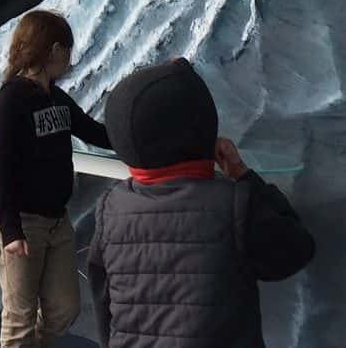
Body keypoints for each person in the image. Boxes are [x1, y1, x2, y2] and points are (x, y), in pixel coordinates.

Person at [87, 58, 315, 348]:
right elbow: (296, 250)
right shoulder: (234, 204)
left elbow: (104, 303)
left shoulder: (110, 210)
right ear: (202, 130)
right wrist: (244, 176)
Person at [0, 9, 111, 348]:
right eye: (68, 52)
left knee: (64, 309)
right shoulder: (12, 99)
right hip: (20, 221)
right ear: (55, 50)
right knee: (19, 318)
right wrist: (11, 230)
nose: (70, 60)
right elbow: (2, 167)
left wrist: (146, 139)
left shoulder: (56, 97)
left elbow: (96, 133)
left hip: (55, 222)